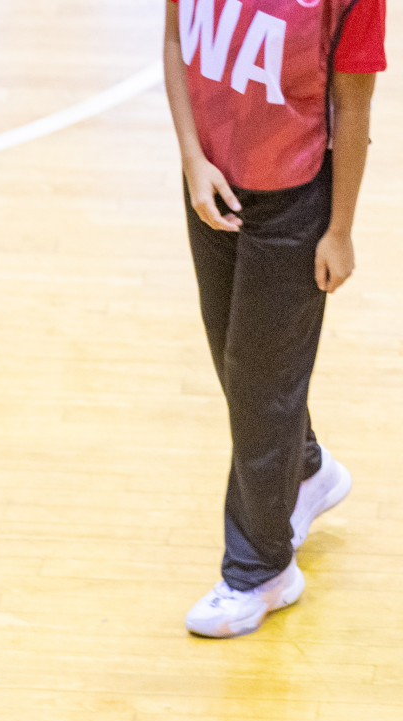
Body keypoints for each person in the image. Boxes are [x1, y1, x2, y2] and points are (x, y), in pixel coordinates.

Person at [165, 0, 386, 637]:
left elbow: (354, 106)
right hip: (212, 182)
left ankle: (260, 571)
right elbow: (178, 39)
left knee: (262, 384)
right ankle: (308, 469)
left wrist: (339, 230)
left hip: (295, 199)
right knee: (239, 364)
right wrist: (191, 161)